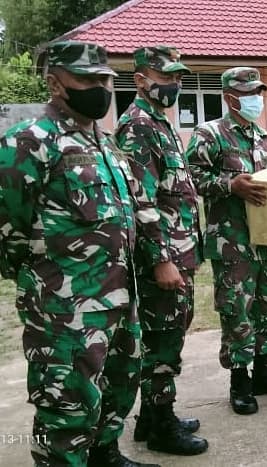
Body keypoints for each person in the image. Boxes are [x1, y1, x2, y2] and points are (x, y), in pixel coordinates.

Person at [0, 40, 158, 467]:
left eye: (105, 79)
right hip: (63, 306)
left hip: (119, 297)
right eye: (86, 80)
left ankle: (106, 453)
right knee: (67, 403)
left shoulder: (104, 143)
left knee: (120, 383)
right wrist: (41, 278)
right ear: (55, 83)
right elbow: (7, 224)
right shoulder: (29, 142)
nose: (101, 89)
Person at [185, 67, 267, 415]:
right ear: (229, 96)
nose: (255, 98)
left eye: (258, 91)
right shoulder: (210, 134)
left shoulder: (263, 136)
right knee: (237, 311)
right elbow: (192, 177)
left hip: (266, 238)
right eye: (247, 92)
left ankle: (265, 371)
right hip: (232, 242)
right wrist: (230, 184)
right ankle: (240, 382)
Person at [114, 45, 208, 455]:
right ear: (140, 80)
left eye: (177, 77)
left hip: (179, 251)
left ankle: (150, 416)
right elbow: (142, 202)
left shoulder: (159, 123)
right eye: (167, 77)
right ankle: (161, 428)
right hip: (164, 258)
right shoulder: (137, 126)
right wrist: (161, 260)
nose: (175, 84)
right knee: (163, 342)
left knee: (168, 337)